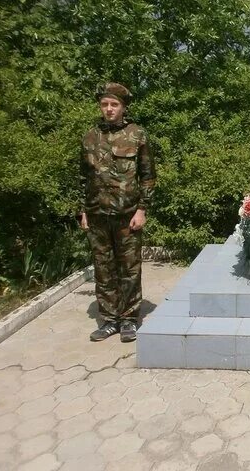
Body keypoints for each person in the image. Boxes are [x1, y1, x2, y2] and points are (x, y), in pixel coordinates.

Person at [80, 83, 156, 342]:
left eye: (114, 104)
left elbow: (147, 176)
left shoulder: (137, 135)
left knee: (129, 268)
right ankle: (109, 320)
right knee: (103, 268)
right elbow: (84, 178)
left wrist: (142, 209)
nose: (109, 109)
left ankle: (129, 319)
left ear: (123, 107)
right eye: (104, 104)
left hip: (127, 214)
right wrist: (84, 211)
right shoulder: (90, 137)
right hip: (97, 213)